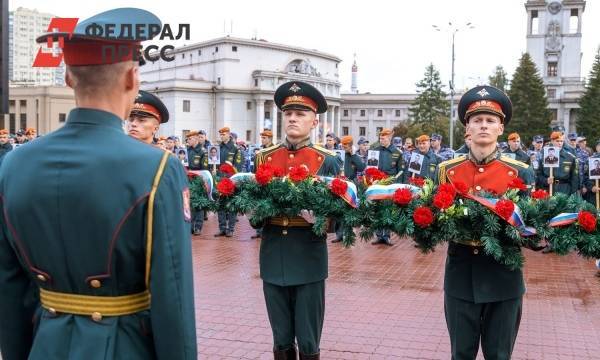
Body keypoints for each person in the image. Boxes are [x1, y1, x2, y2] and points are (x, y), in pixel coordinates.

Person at [0, 8, 196, 359]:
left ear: (68, 78)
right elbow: (173, 297)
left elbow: (9, 287)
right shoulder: (156, 167)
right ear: (131, 79)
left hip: (45, 346)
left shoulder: (13, 164)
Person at [437, 85, 535, 360]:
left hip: (504, 277)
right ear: (467, 127)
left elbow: (529, 223)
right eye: (476, 120)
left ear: (500, 128)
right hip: (460, 276)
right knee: (461, 354)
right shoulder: (446, 171)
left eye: (490, 121)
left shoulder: (520, 172)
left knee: (499, 355)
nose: (483, 126)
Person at [254, 81, 340, 360]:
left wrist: (322, 220)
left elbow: (340, 216)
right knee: (280, 339)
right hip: (273, 255)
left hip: (308, 258)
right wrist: (255, 212)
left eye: (300, 113)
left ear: (314, 121)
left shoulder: (327, 161)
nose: (292, 118)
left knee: (308, 340)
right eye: (288, 112)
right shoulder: (264, 158)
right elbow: (254, 210)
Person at [371, 128, 403, 246]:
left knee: (388, 210)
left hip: (390, 185)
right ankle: (379, 235)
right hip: (378, 184)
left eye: (383, 138)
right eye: (380, 138)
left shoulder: (397, 153)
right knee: (378, 209)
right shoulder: (375, 151)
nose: (381, 140)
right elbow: (370, 166)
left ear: (389, 138)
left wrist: (398, 185)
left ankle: (387, 235)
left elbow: (401, 171)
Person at [332, 135, 365, 244]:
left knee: (349, 209)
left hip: (350, 184)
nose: (344, 148)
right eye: (343, 145)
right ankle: (339, 234)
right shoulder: (338, 153)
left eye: (347, 146)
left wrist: (354, 155)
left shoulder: (353, 155)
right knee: (338, 209)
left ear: (351, 146)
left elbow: (361, 167)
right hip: (339, 183)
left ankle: (348, 233)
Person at [214, 127, 243, 238]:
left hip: (231, 179)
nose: (221, 136)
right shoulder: (217, 148)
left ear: (229, 135)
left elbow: (238, 166)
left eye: (223, 134)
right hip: (220, 179)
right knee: (220, 205)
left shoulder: (235, 149)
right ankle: (222, 228)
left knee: (231, 205)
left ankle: (230, 229)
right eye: (220, 135)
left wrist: (233, 176)